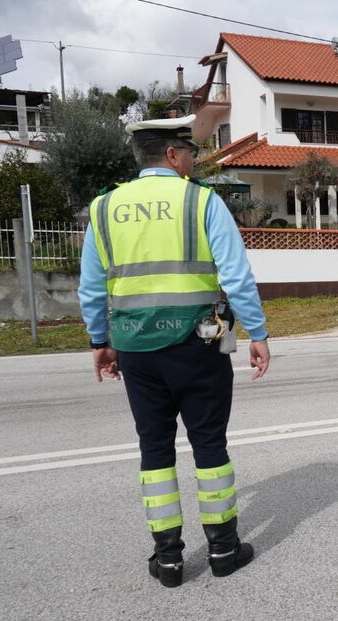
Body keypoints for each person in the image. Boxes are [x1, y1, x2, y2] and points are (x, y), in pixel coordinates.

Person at [78, 114, 271, 588]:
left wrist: (100, 341)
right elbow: (236, 276)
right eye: (190, 151)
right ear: (170, 153)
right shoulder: (200, 201)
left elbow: (91, 287)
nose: (194, 159)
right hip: (197, 345)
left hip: (135, 349)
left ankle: (167, 560)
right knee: (209, 443)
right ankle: (224, 550)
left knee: (155, 449)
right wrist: (258, 333)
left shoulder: (103, 207)